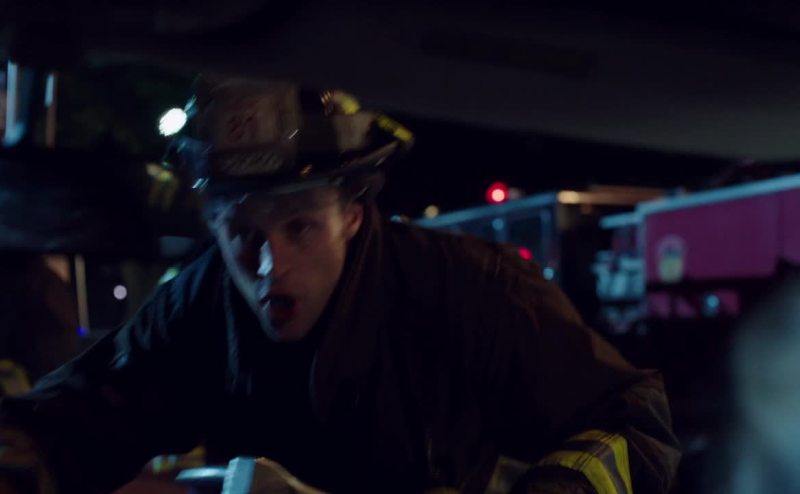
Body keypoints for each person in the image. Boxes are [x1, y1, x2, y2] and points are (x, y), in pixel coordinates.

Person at [0, 78, 680, 493]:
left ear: (352, 214)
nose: (269, 266)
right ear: (213, 225)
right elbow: (78, 419)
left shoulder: (471, 290)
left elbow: (631, 420)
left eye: (299, 227)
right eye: (243, 234)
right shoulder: (197, 308)